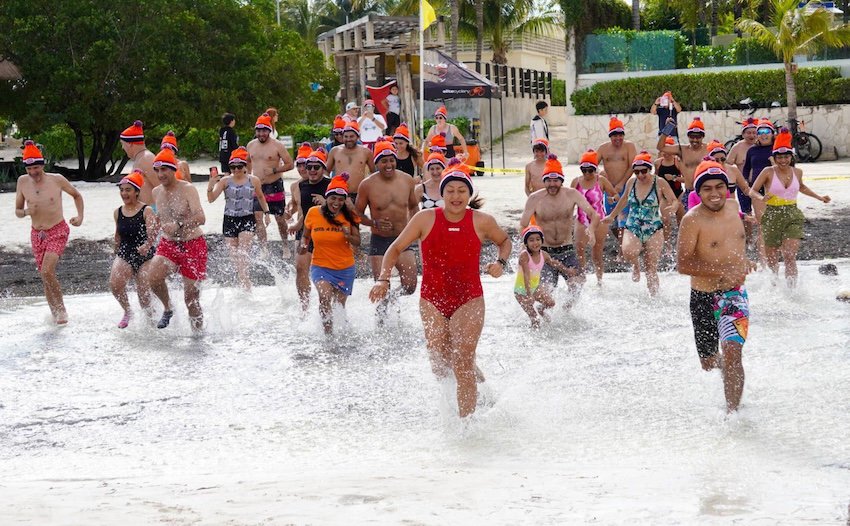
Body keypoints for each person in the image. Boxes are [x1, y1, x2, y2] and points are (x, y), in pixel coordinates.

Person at [369, 159, 511, 418]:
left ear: (469, 193)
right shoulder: (425, 218)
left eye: (461, 191)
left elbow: (504, 241)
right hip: (433, 299)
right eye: (450, 191)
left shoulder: (482, 221)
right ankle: (482, 391)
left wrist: (501, 263)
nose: (456, 196)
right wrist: (383, 279)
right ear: (441, 193)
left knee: (462, 360)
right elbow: (395, 249)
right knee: (441, 364)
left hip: (469, 298)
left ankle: (466, 425)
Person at [677, 160, 751, 413]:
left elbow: (736, 240)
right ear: (698, 192)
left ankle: (733, 414)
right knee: (709, 363)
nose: (715, 193)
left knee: (732, 352)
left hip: (734, 294)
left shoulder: (733, 207)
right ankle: (726, 370)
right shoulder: (692, 219)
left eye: (720, 186)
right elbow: (683, 264)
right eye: (707, 188)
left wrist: (743, 261)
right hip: (703, 296)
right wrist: (722, 270)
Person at [749, 128, 831, 287]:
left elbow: (802, 187)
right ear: (774, 157)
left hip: (793, 214)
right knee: (772, 257)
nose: (783, 160)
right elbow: (752, 190)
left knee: (789, 255)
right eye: (779, 157)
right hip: (772, 215)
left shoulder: (798, 172)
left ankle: (792, 290)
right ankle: (775, 284)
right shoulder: (768, 171)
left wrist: (819, 197)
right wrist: (761, 197)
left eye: (786, 156)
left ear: (791, 156)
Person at [14, 140, 84, 324]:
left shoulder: (57, 179)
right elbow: (18, 211)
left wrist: (80, 216)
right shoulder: (22, 182)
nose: (32, 173)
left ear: (42, 165)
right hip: (37, 233)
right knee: (45, 275)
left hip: (58, 229)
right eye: (29, 169)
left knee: (47, 270)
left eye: (36, 168)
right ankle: (54, 314)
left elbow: (77, 195)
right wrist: (28, 211)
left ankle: (62, 311)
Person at [520, 154, 600, 309]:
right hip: (545, 253)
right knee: (546, 293)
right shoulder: (535, 198)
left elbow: (593, 214)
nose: (552, 184)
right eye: (548, 180)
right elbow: (523, 225)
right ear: (544, 181)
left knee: (577, 286)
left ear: (561, 181)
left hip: (567, 250)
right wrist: (526, 246)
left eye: (555, 180)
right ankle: (544, 314)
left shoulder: (571, 194)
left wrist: (591, 229)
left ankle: (566, 313)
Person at [143, 148, 207, 331]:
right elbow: (157, 218)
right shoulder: (156, 192)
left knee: (191, 299)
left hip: (193, 244)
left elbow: (201, 218)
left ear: (173, 169)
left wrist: (178, 224)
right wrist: (149, 240)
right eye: (157, 170)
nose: (160, 174)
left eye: (164, 169)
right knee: (153, 277)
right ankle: (168, 307)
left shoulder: (187, 189)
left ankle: (198, 336)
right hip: (168, 243)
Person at [356, 140, 419, 317]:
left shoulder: (407, 180)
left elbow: (414, 207)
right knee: (382, 286)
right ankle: (381, 325)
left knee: (410, 286)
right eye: (383, 161)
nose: (388, 164)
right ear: (376, 163)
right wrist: (373, 224)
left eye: (391, 160)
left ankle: (393, 299)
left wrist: (416, 228)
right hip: (380, 241)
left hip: (403, 238)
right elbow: (357, 214)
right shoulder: (367, 185)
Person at [603, 152, 678, 296]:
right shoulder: (632, 182)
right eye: (636, 172)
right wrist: (612, 216)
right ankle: (636, 265)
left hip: (654, 227)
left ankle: (654, 298)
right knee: (629, 252)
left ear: (649, 169)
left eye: (643, 171)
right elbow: (624, 199)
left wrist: (673, 207)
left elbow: (674, 200)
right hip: (633, 225)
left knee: (651, 269)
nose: (640, 175)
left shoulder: (659, 182)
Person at [301, 173, 361, 334]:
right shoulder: (313, 212)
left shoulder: (350, 216)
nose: (336, 202)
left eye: (341, 199)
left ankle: (342, 332)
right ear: (326, 197)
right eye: (333, 198)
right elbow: (306, 235)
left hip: (345, 268)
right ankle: (328, 334)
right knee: (325, 297)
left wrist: (348, 236)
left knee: (339, 306)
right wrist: (302, 245)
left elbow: (358, 242)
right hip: (321, 266)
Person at [207, 146, 270, 291]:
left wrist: (266, 213)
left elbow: (260, 196)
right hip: (229, 220)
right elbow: (211, 199)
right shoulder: (225, 181)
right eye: (233, 167)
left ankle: (245, 283)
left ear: (245, 166)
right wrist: (210, 186)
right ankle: (244, 280)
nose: (236, 170)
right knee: (235, 256)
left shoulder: (253, 180)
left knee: (243, 252)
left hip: (247, 219)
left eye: (239, 166)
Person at [110, 170, 156, 328]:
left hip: (146, 255)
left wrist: (147, 245)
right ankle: (127, 311)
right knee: (115, 284)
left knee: (143, 292)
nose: (124, 193)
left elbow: (152, 234)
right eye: (122, 190)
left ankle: (151, 321)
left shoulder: (147, 210)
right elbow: (118, 235)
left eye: (128, 190)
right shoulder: (117, 212)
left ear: (137, 192)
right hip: (126, 252)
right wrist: (114, 248)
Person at [246, 112, 294, 259]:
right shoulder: (250, 145)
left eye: (264, 130)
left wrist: (274, 170)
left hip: (274, 185)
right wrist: (248, 177)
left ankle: (285, 245)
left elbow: (290, 164)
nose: (261, 134)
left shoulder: (277, 145)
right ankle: (264, 248)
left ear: (269, 131)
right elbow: (248, 161)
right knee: (258, 217)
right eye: (258, 131)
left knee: (279, 218)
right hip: (258, 186)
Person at [288, 148, 331, 311]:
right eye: (309, 167)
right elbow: (305, 212)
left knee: (325, 273)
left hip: (327, 234)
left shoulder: (330, 185)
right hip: (306, 233)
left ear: (323, 168)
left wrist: (326, 202)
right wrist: (296, 224)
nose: (312, 170)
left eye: (316, 167)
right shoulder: (300, 186)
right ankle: (304, 305)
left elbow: (344, 211)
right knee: (300, 268)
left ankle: (327, 303)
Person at [570, 149, 617, 285]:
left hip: (599, 220)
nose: (587, 173)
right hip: (581, 219)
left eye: (590, 170)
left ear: (595, 169)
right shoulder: (576, 182)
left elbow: (615, 195)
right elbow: (570, 201)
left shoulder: (601, 180)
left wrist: (612, 199)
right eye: (584, 170)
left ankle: (599, 280)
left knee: (597, 252)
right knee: (579, 249)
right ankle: (582, 277)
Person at [514, 221, 572, 328]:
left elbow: (554, 263)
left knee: (551, 303)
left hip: (535, 288)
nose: (535, 243)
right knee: (535, 319)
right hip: (521, 291)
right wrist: (529, 294)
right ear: (526, 243)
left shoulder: (544, 255)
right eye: (531, 240)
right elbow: (526, 275)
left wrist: (567, 270)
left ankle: (541, 309)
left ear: (542, 241)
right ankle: (534, 342)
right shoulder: (524, 256)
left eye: (538, 239)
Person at [597, 117, 637, 251]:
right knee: (611, 220)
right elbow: (591, 165)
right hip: (609, 190)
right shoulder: (603, 148)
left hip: (624, 188)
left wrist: (621, 183)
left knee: (623, 219)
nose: (618, 138)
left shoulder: (629, 146)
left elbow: (633, 166)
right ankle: (623, 245)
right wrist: (602, 174)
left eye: (620, 135)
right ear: (610, 136)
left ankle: (622, 249)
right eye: (615, 135)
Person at [656, 116, 709, 208]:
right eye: (692, 137)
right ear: (688, 136)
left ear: (703, 136)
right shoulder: (682, 149)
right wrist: (667, 129)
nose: (695, 140)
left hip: (705, 191)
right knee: (688, 221)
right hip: (689, 191)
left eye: (698, 137)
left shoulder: (708, 150)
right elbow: (660, 147)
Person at [326, 121, 374, 202]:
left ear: (357, 137)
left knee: (358, 215)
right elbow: (326, 172)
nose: (348, 139)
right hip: (338, 193)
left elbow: (373, 172)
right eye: (346, 136)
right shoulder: (335, 151)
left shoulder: (366, 152)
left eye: (351, 136)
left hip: (358, 194)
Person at [120, 120, 157, 205]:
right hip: (143, 212)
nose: (122, 147)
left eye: (123, 144)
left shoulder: (146, 159)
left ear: (130, 144)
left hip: (152, 211)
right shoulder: (140, 159)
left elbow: (163, 188)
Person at [654, 137, 685, 236]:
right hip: (665, 195)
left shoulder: (678, 162)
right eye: (664, 151)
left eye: (668, 151)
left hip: (678, 193)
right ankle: (667, 245)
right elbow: (654, 179)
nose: (666, 153)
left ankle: (681, 239)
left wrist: (674, 178)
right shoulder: (658, 163)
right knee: (665, 220)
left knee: (680, 220)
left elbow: (687, 180)